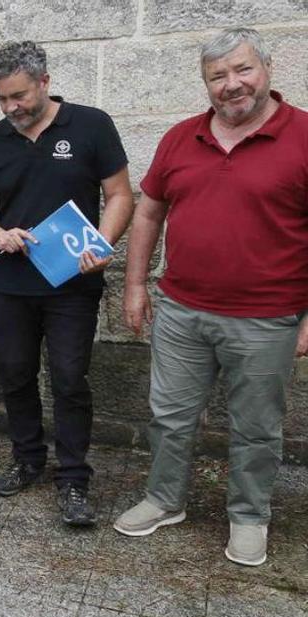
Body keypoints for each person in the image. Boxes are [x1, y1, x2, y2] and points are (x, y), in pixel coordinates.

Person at [114, 28, 308, 566]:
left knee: (256, 428)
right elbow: (149, 210)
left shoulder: (304, 136)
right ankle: (164, 499)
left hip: (267, 318)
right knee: (170, 416)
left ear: (267, 69)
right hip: (181, 311)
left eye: (242, 70)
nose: (232, 85)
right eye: (217, 76)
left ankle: (249, 516)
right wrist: (135, 283)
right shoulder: (180, 138)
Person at [0, 42, 133, 526]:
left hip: (73, 285)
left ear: (44, 82)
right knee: (14, 376)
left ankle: (74, 479)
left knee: (70, 381)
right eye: (1, 99)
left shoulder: (92, 125)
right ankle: (28, 459)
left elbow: (120, 195)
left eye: (18, 96)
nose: (10, 107)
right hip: (12, 284)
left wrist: (104, 242)